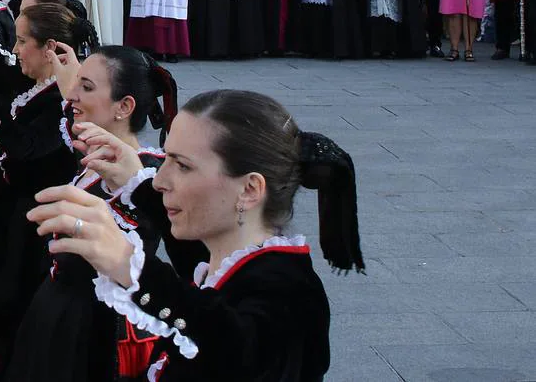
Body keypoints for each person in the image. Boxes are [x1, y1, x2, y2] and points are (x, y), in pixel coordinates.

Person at [28, 89, 363, 381]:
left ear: (248, 189)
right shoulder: (227, 257)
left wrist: (131, 266)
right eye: (167, 158)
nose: (161, 180)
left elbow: (233, 349)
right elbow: (194, 271)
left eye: (182, 165)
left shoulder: (289, 294)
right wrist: (136, 180)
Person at [9, 44, 184, 381]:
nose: (72, 94)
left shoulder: (148, 175)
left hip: (94, 329)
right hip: (56, 313)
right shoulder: (95, 151)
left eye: (86, 87)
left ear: (124, 107)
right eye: (77, 83)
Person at [0, 0, 77, 380]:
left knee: (6, 322)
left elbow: (27, 150)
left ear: (51, 48)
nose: (16, 47)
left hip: (23, 239)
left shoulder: (62, 104)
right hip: (6, 222)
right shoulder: (41, 87)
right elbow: (9, 83)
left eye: (23, 41)